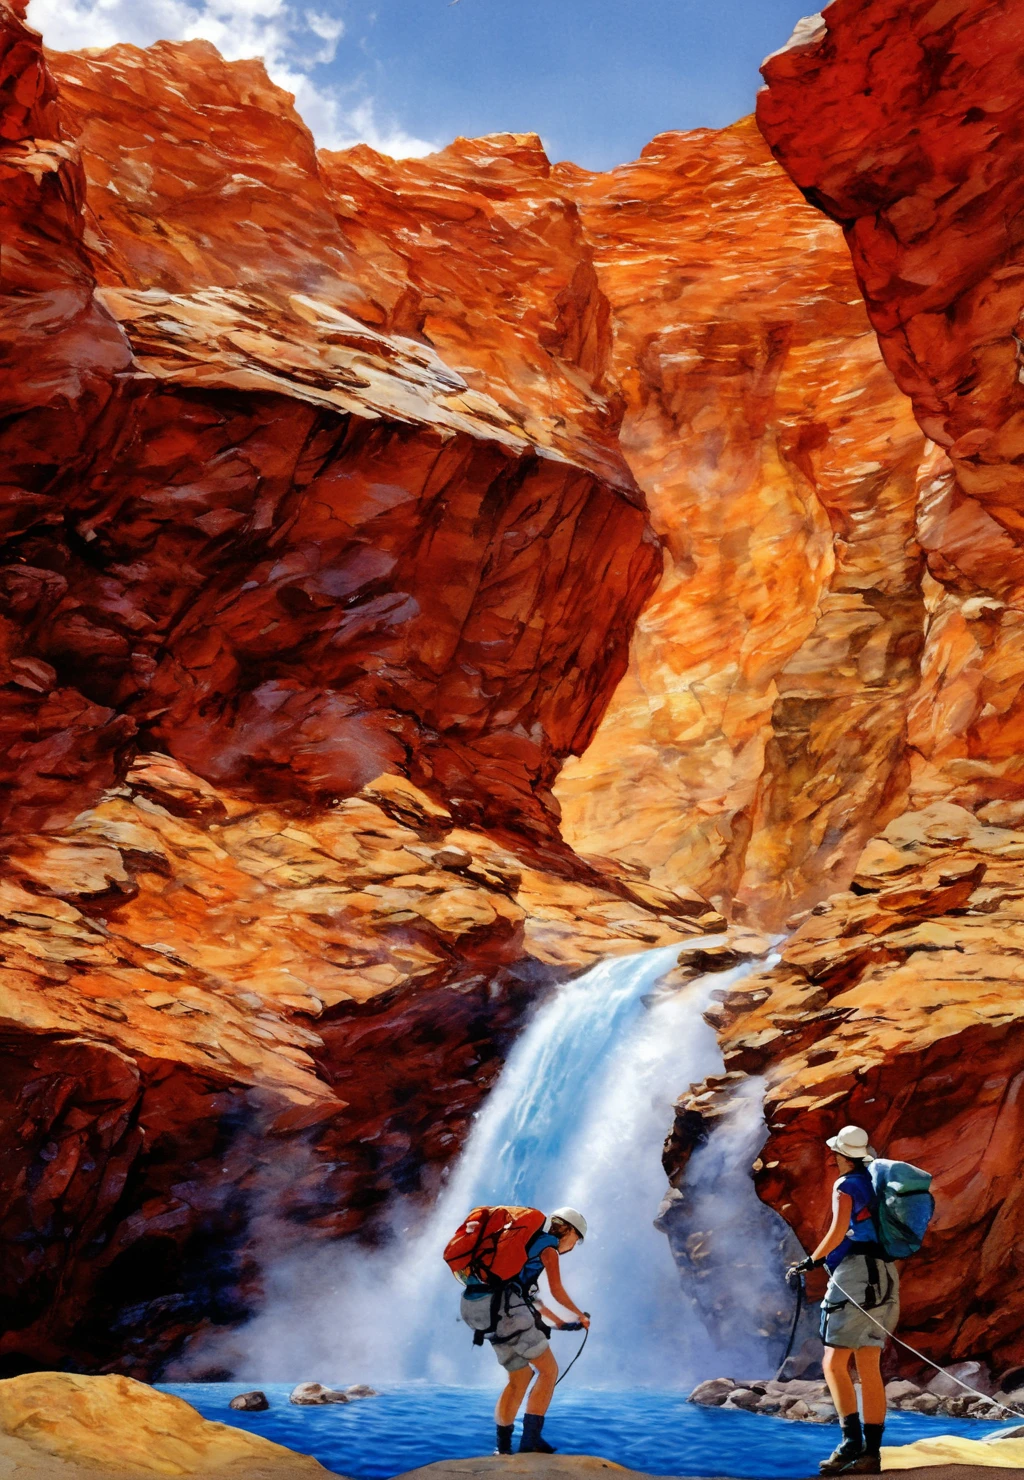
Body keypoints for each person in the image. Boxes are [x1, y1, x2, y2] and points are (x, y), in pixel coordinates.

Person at [788, 1125, 899, 1476]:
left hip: (855, 1275)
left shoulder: (847, 1184)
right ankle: (872, 1454)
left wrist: (811, 1262)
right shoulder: (877, 1182)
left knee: (834, 1364)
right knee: (868, 1366)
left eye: (835, 1152)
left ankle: (850, 1444)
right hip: (884, 1275)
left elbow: (838, 1231)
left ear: (840, 1155)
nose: (832, 1157)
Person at [460, 1206, 590, 1455]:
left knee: (519, 1378)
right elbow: (556, 1291)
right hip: (505, 1310)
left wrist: (562, 1324)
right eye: (577, 1239)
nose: (574, 1246)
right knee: (549, 1371)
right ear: (569, 1230)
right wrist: (580, 1315)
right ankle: (530, 1442)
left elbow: (532, 1300)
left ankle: (503, 1449)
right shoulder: (548, 1248)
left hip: (478, 1307)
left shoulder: (521, 1245)